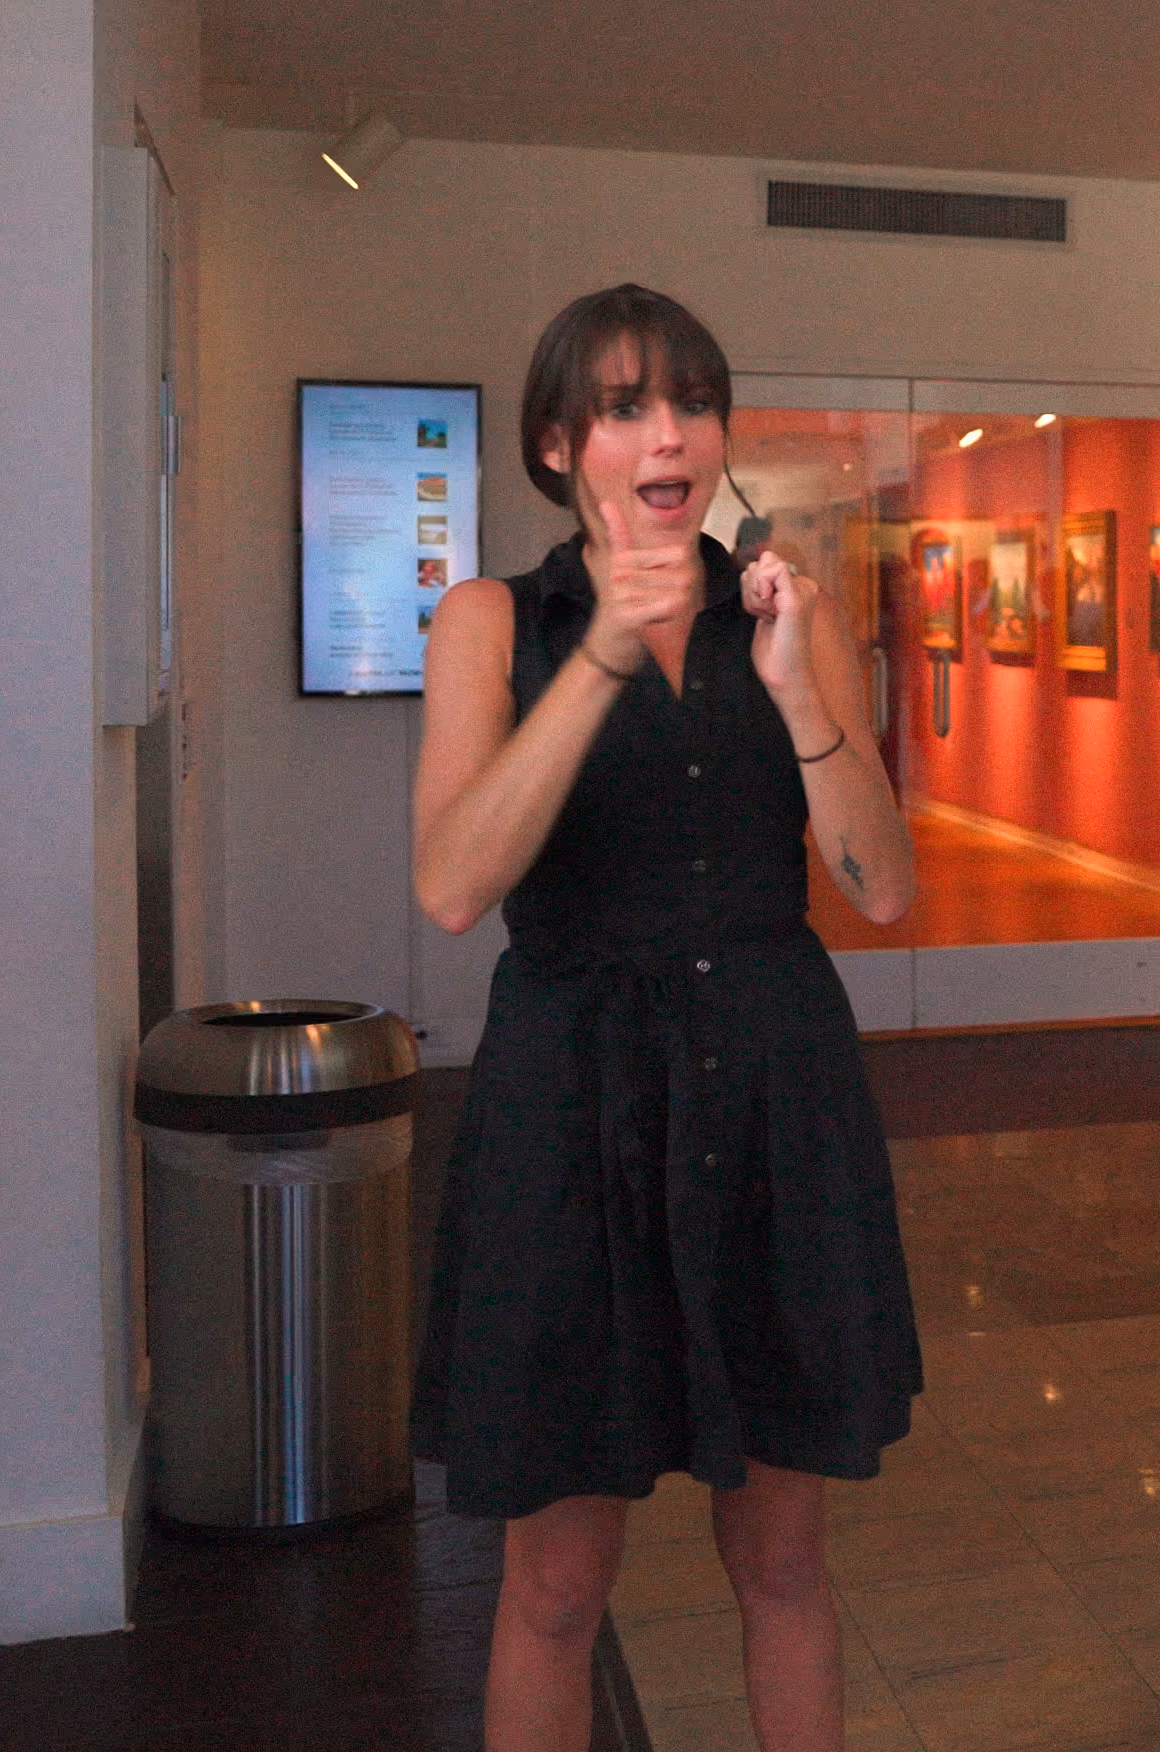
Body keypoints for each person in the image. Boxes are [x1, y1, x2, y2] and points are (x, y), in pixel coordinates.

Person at [410, 284, 922, 1752]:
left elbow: (881, 888)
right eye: (629, 405)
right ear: (561, 443)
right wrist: (600, 661)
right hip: (572, 1106)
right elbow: (454, 884)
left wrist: (801, 697)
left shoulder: (786, 609)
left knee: (782, 1560)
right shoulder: (493, 621)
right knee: (557, 1584)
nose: (671, 433)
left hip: (773, 1094)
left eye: (693, 402)